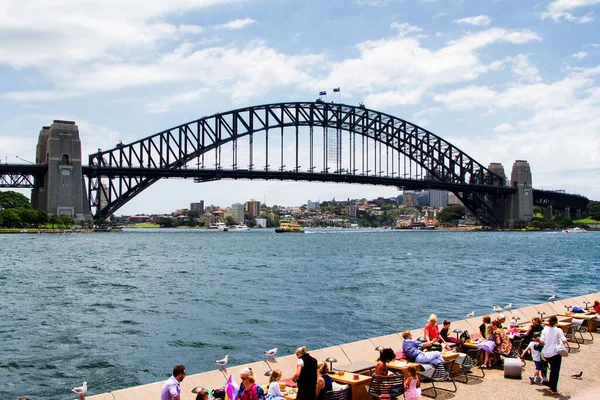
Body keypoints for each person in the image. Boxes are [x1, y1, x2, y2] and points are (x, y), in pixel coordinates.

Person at [540, 316, 568, 395]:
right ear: (556, 322)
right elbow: (564, 340)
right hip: (555, 353)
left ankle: (550, 385)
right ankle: (554, 389)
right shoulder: (558, 330)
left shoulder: (545, 329)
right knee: (555, 371)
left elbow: (542, 341)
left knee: (552, 369)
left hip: (546, 353)